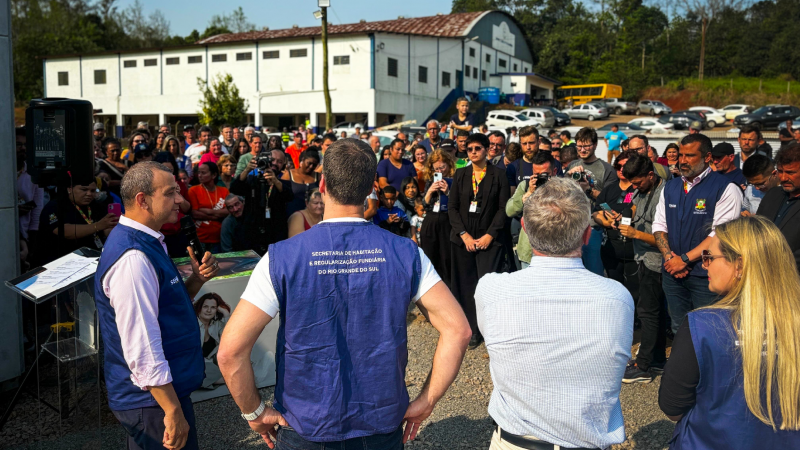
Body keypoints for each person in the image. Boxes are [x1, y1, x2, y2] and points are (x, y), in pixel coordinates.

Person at [217, 139, 470, 449]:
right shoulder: (406, 252)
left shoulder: (283, 257)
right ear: (370, 188)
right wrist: (427, 399)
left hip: (306, 424)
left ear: (323, 183)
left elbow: (230, 351)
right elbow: (458, 330)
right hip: (379, 422)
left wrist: (253, 411)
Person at [476, 177, 633, 450]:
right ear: (586, 234)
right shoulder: (617, 297)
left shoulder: (491, 289)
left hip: (512, 443)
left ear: (524, 227)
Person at [94, 161, 220, 450]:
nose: (180, 200)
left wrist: (196, 281)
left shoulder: (148, 241)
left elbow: (163, 309)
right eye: (170, 193)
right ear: (143, 200)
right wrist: (172, 410)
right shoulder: (133, 258)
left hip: (159, 396)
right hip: (152, 402)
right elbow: (142, 346)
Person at [658, 216, 800, 449]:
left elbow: (672, 408)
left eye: (709, 257)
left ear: (740, 265)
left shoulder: (701, 325)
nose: (704, 265)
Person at [653, 133, 743, 333]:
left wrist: (684, 259)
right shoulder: (671, 186)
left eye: (690, 156)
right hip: (672, 273)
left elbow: (719, 235)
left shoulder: (726, 188)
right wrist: (670, 258)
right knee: (679, 329)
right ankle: (685, 364)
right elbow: (659, 225)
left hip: (708, 275)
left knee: (711, 330)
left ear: (708, 157)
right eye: (680, 155)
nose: (682, 161)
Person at [449, 133, 510, 349]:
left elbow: (504, 208)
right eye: (469, 149)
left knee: (486, 286)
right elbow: (453, 208)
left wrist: (489, 235)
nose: (473, 152)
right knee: (466, 286)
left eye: (477, 148)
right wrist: (464, 235)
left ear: (486, 149)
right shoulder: (461, 174)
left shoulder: (499, 175)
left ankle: (490, 328)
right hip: (463, 240)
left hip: (488, 240)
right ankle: (472, 330)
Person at [617, 154, 668, 383]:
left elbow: (668, 238)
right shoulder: (640, 191)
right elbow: (635, 210)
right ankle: (656, 360)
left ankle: (643, 366)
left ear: (650, 174)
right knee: (651, 311)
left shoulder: (664, 195)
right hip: (642, 259)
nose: (634, 187)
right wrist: (621, 218)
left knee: (649, 313)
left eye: (638, 182)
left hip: (656, 262)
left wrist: (636, 234)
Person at [566, 127, 619, 276]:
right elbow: (562, 195)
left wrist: (588, 189)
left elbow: (609, 203)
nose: (582, 150)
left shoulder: (607, 169)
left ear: (595, 145)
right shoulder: (572, 166)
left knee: (593, 272)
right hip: (572, 226)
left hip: (594, 227)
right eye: (579, 146)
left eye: (586, 146)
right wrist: (568, 178)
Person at [37, 172, 117, 264]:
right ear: (70, 189)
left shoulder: (95, 206)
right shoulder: (55, 206)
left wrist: (113, 225)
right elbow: (63, 231)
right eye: (84, 190)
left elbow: (105, 230)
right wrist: (97, 226)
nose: (89, 194)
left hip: (91, 260)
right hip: (59, 263)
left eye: (93, 191)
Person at [592, 151, 639, 299]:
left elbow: (638, 209)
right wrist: (606, 221)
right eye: (618, 166)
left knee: (635, 292)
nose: (621, 169)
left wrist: (626, 217)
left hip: (634, 250)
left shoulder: (639, 188)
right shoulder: (609, 189)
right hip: (611, 249)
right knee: (614, 291)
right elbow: (596, 212)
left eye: (625, 166)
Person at [230, 149, 293, 255]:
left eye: (279, 162)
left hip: (274, 236)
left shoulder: (283, 184)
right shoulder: (252, 180)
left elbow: (289, 196)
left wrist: (275, 181)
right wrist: (247, 169)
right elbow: (235, 188)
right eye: (272, 160)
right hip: (251, 235)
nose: (275, 164)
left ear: (283, 165)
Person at [505, 151, 558, 269]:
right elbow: (509, 211)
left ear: (554, 172)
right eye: (536, 174)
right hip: (529, 252)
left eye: (545, 174)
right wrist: (529, 193)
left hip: (556, 253)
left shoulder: (563, 188)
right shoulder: (525, 186)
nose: (541, 178)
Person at [756, 143, 800, 270]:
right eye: (780, 171)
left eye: (791, 172)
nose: (783, 178)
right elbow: (756, 231)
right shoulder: (773, 194)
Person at [420, 150, 457, 290]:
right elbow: (425, 204)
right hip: (431, 220)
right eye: (436, 169)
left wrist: (448, 192)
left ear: (449, 165)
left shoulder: (455, 180)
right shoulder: (431, 181)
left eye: (442, 167)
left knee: (447, 257)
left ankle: (450, 289)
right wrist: (430, 191)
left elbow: (458, 203)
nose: (440, 170)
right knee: (430, 256)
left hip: (447, 221)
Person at [153, 152, 194, 258]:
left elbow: (187, 209)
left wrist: (178, 194)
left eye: (170, 170)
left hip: (180, 232)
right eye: (164, 170)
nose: (167, 173)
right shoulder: (152, 187)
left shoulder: (179, 184)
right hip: (160, 234)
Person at [188, 161, 230, 253]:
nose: (199, 175)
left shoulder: (224, 191)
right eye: (198, 172)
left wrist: (209, 211)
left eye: (203, 173)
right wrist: (218, 216)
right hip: (200, 239)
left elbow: (228, 211)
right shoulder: (193, 190)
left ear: (214, 175)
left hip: (219, 238)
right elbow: (195, 214)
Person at [194, 292, 230, 389]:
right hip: (195, 364)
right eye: (205, 306)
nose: (209, 310)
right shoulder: (193, 324)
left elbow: (230, 339)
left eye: (213, 307)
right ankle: (225, 379)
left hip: (211, 364)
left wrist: (226, 314)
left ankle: (223, 378)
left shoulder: (216, 324)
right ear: (199, 308)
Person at [281, 148, 321, 217]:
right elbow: (281, 194)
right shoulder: (289, 174)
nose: (311, 166)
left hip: (312, 217)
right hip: (291, 215)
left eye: (314, 165)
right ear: (302, 160)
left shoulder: (318, 176)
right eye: (309, 163)